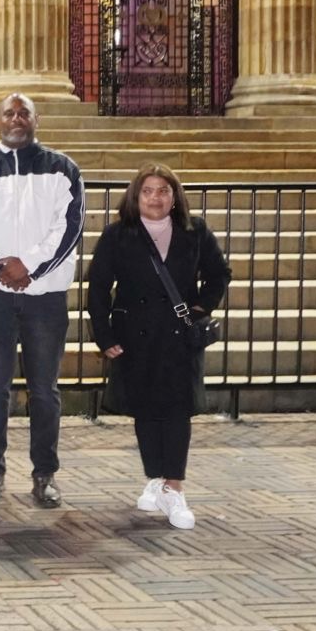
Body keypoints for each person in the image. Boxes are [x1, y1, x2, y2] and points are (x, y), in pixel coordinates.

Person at [86, 164, 231, 530]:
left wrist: (200, 308)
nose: (155, 198)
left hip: (179, 336)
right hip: (134, 335)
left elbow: (219, 274)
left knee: (178, 409)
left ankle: (174, 486)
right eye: (148, 191)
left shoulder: (195, 231)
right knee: (145, 408)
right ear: (136, 196)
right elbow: (99, 287)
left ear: (175, 196)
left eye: (164, 190)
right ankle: (155, 476)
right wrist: (104, 336)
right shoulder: (118, 234)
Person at [0, 93, 85, 508]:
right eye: (9, 113)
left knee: (44, 389)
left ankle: (45, 473)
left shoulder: (63, 168)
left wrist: (29, 266)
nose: (16, 119)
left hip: (44, 297)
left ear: (36, 119)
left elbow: (69, 229)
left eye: (24, 113)